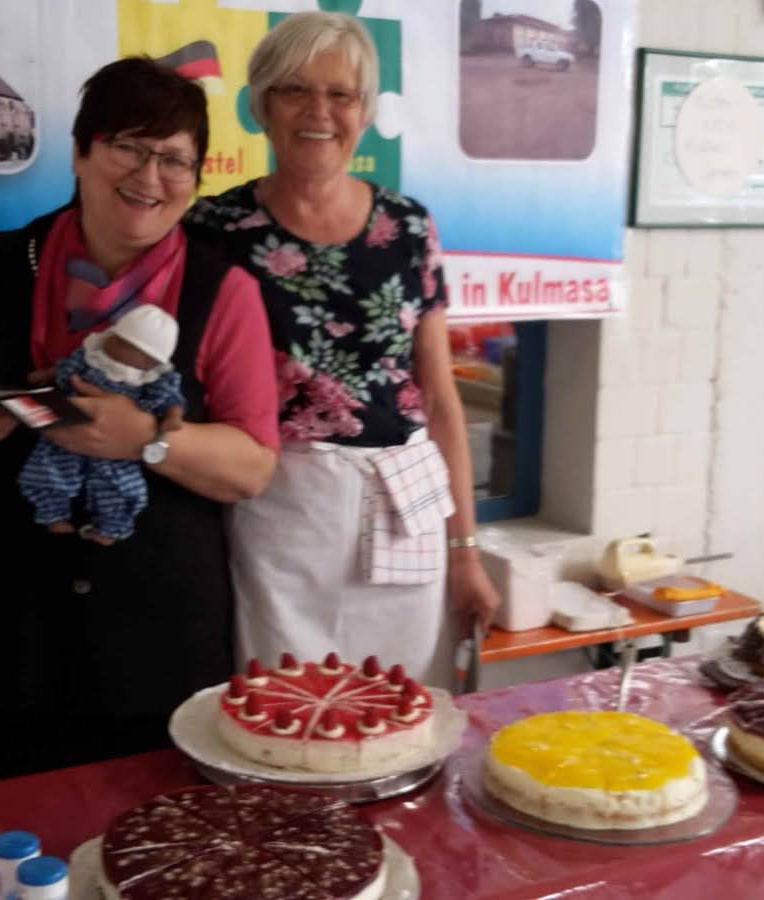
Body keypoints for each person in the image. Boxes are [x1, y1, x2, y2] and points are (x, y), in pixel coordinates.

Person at [0, 58, 279, 792]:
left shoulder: (222, 290)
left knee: (149, 842)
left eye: (175, 160)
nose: (150, 176)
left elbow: (254, 464)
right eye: (130, 146)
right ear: (81, 150)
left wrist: (151, 441)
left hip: (155, 632)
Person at [184, 11, 499, 687]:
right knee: (283, 700)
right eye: (296, 90)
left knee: (400, 700)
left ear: (366, 110)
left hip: (404, 500)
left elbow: (442, 399)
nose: (319, 112)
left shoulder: (409, 226)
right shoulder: (212, 230)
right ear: (262, 104)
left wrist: (466, 551)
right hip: (280, 505)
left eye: (342, 94)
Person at [17, 305, 186, 544]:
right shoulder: (93, 355)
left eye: (125, 344)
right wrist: (47, 374)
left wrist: (172, 417)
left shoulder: (154, 379)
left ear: (150, 360)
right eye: (116, 337)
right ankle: (52, 514)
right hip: (69, 432)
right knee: (47, 470)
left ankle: (111, 528)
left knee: (119, 489)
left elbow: (172, 399)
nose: (112, 343)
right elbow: (66, 367)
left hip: (119, 450)